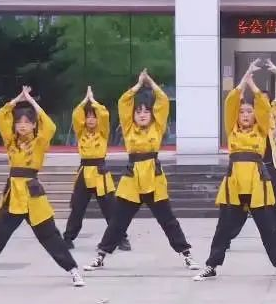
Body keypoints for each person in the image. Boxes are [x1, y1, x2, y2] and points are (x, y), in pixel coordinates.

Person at [0, 86, 84, 287]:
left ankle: (73, 270)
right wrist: (17, 99)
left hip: (33, 194)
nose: (23, 126)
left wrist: (33, 103)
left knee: (49, 235)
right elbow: (0, 117)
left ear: (34, 125)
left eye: (27, 122)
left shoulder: (39, 142)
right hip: (13, 195)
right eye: (19, 122)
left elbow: (50, 126)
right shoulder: (11, 141)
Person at [84, 70, 199, 271]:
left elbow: (163, 101)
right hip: (132, 180)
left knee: (168, 220)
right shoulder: (128, 128)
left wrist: (151, 83)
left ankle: (186, 254)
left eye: (146, 111)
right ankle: (101, 256)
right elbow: (123, 102)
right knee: (118, 221)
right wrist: (138, 85)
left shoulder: (157, 126)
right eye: (138, 112)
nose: (143, 115)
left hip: (154, 178)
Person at [193, 61, 276, 281]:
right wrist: (245, 78)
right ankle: (211, 265)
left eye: (249, 111)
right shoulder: (232, 130)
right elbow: (230, 102)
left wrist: (253, 86)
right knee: (223, 229)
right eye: (242, 112)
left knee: (268, 229)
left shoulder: (262, 129)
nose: (245, 115)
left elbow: (264, 106)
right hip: (234, 185)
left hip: (257, 185)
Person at [227, 59, 276, 252]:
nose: (265, 103)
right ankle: (225, 238)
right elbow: (236, 98)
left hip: (268, 167)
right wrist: (248, 77)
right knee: (240, 206)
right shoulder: (246, 120)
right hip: (246, 168)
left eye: (266, 101)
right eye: (261, 101)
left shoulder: (271, 117)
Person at [62, 87, 129, 251]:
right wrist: (85, 101)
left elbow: (104, 115)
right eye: (88, 116)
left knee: (110, 208)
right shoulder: (81, 132)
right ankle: (68, 238)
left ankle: (121, 238)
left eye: (93, 116)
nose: (91, 120)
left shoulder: (103, 131)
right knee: (77, 208)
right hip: (84, 172)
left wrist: (93, 101)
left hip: (100, 172)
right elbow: (76, 115)